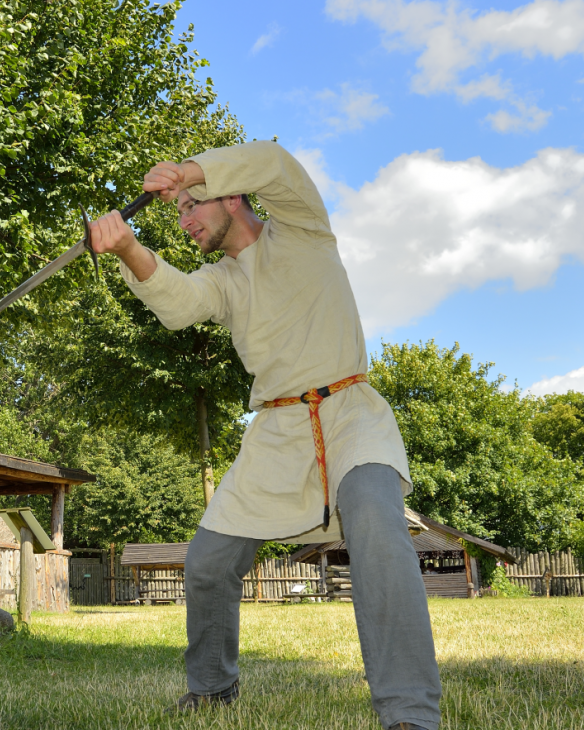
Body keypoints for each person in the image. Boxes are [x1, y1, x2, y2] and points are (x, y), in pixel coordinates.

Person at [87, 141, 441, 730]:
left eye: (191, 205)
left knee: (377, 523)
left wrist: (186, 170)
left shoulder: (302, 229)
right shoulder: (223, 282)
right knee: (207, 563)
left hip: (352, 416)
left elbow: (277, 166)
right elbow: (177, 303)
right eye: (177, 212)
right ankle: (212, 688)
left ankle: (408, 714)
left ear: (231, 193)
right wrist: (127, 245)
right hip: (277, 432)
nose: (185, 220)